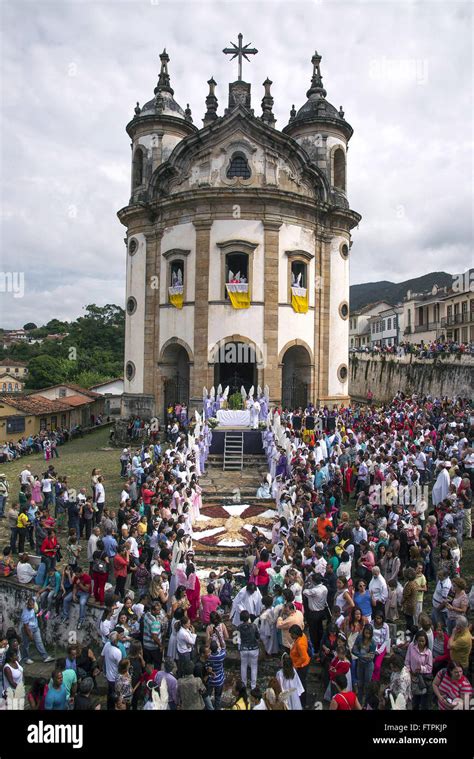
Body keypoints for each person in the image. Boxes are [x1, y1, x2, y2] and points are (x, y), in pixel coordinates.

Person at [20, 597, 54, 666]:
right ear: (27, 604)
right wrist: (30, 635)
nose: (31, 606)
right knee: (26, 645)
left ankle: (45, 657)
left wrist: (45, 588)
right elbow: (26, 627)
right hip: (27, 630)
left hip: (35, 628)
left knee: (39, 642)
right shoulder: (25, 613)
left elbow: (38, 594)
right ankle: (26, 658)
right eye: (29, 605)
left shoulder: (33, 602)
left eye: (32, 605)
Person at [405, 630, 433, 710]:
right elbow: (407, 660)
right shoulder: (411, 646)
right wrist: (409, 671)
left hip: (422, 678)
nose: (421, 643)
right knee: (414, 700)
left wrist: (421, 668)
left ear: (426, 641)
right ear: (416, 640)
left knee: (424, 701)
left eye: (423, 641)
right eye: (419, 641)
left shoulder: (428, 652)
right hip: (412, 676)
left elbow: (430, 667)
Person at [352, 623, 376, 706]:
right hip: (360, 664)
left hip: (368, 665)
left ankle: (366, 704)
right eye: (366, 633)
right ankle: (358, 702)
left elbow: (371, 657)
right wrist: (363, 655)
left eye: (369, 633)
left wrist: (361, 655)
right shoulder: (359, 638)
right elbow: (353, 650)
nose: (367, 635)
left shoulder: (373, 642)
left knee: (367, 685)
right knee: (360, 684)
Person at [237, 610, 260, 690]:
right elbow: (257, 636)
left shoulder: (239, 627)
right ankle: (253, 686)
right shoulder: (254, 626)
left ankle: (244, 683)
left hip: (243, 649)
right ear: (248, 617)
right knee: (254, 667)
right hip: (254, 648)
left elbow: (236, 639)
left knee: (243, 666)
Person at [101, 632, 123, 711]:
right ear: (116, 640)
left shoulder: (107, 645)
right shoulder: (117, 651)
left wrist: (102, 668)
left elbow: (102, 656)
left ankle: (109, 707)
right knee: (115, 695)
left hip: (108, 675)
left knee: (110, 694)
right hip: (115, 677)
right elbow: (120, 666)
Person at [206, 640, 226, 710]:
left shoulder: (208, 657)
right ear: (217, 647)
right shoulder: (221, 656)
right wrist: (219, 637)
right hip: (219, 680)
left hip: (210, 680)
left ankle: (208, 707)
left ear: (210, 648)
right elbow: (223, 647)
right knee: (218, 697)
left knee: (207, 696)